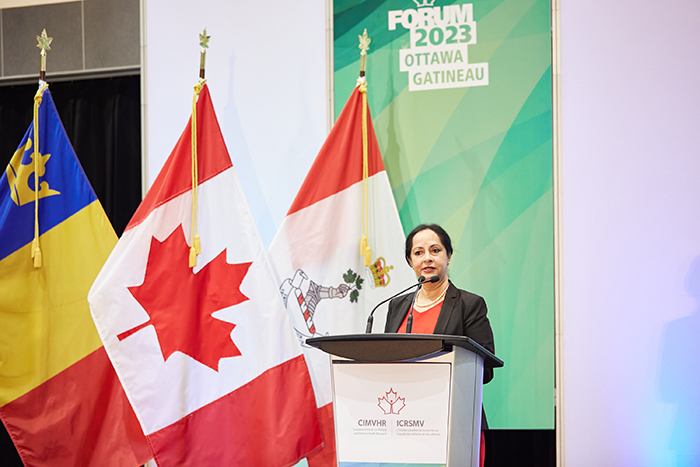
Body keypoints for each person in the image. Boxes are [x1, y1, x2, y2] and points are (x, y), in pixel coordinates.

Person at [384, 223, 495, 467]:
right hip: (402, 423)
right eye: (418, 252)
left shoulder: (470, 305)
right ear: (410, 261)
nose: (427, 258)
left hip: (454, 422)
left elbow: (484, 370)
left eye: (435, 250)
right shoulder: (396, 307)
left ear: (448, 256)